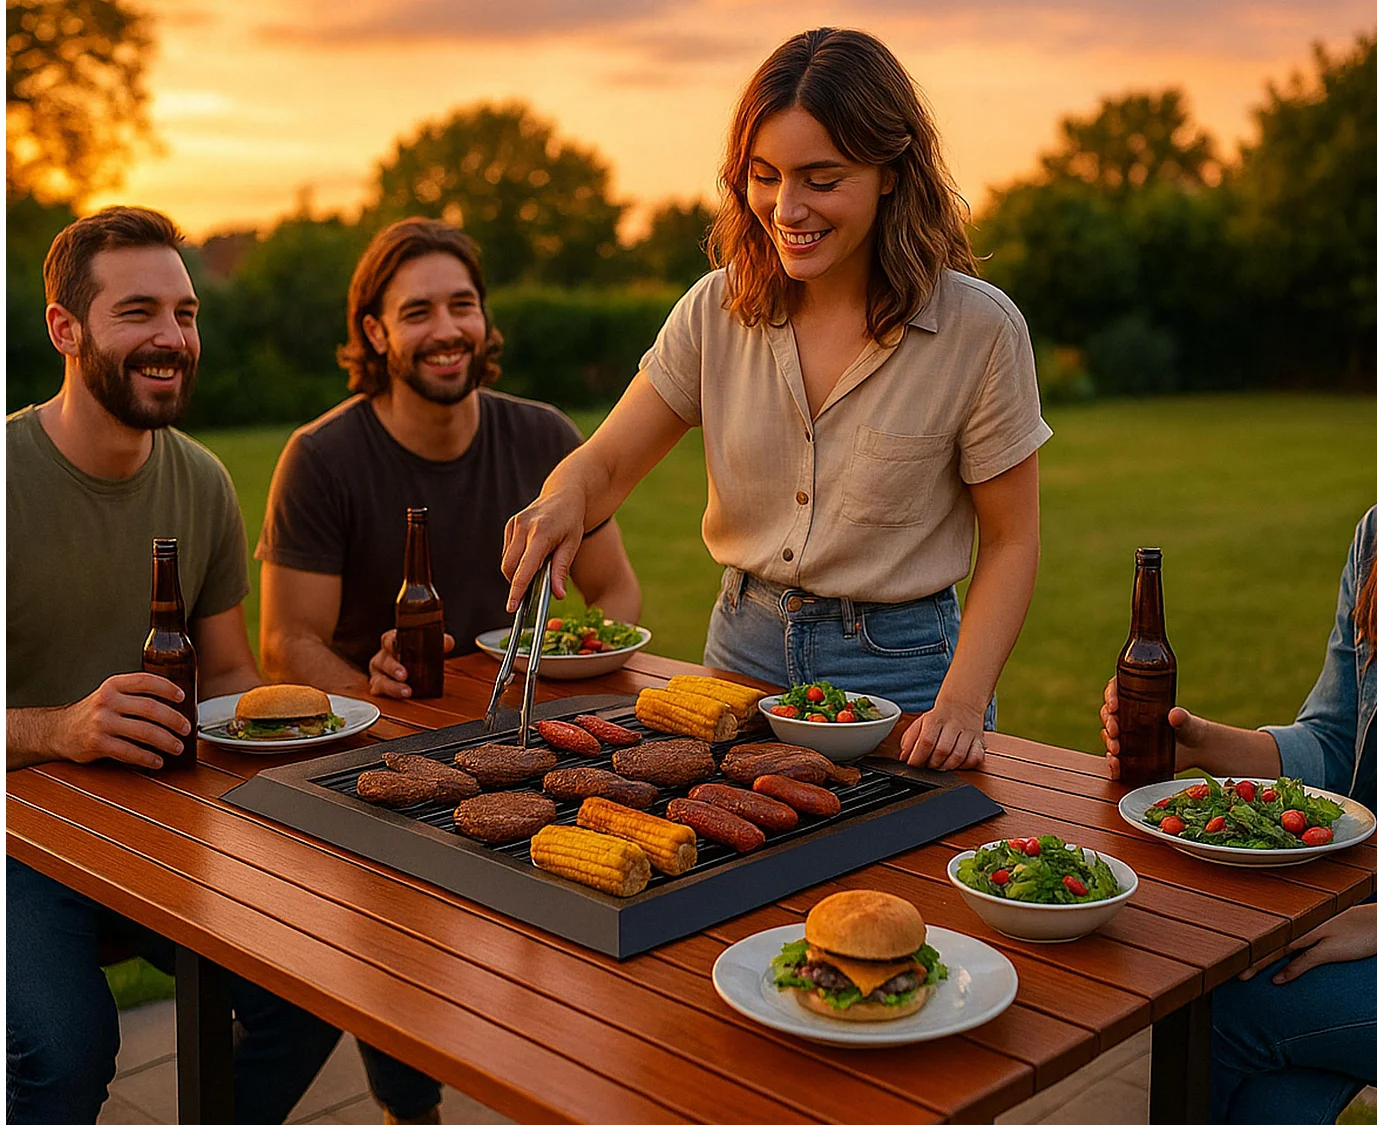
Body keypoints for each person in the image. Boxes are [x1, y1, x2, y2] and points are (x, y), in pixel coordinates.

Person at [502, 28, 1049, 770]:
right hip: (741, 650)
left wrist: (961, 700)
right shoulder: (714, 310)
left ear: (891, 173)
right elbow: (605, 464)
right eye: (764, 176)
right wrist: (564, 496)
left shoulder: (979, 331)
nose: (787, 208)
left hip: (908, 675)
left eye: (821, 180)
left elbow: (1011, 541)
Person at [1098, 242, 1377, 1124]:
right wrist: (1200, 740)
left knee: (1239, 1007)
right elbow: (1332, 742)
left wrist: (1373, 926)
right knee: (1236, 1009)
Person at [5, 206, 346, 1124]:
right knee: (65, 1048)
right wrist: (62, 728)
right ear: (65, 328)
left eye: (186, 313)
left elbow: (228, 674)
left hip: (165, 823)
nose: (172, 337)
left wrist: (320, 726)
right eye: (138, 312)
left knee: (324, 980)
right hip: (19, 841)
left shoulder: (201, 480)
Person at [257, 217, 640, 700]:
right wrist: (374, 699)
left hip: (520, 717)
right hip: (388, 727)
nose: (447, 330)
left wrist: (569, 654)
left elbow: (615, 590)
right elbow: (287, 644)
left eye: (462, 306)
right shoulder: (319, 459)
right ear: (376, 332)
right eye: (418, 313)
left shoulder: (547, 437)